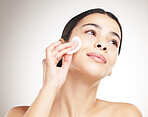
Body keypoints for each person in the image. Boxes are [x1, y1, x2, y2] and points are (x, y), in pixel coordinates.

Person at [5, 8, 142, 117]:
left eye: (113, 42)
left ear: (111, 67)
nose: (103, 45)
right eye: (91, 32)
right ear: (62, 46)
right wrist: (50, 87)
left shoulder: (126, 114)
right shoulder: (17, 114)